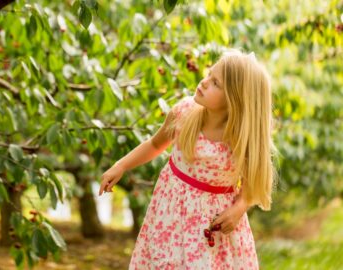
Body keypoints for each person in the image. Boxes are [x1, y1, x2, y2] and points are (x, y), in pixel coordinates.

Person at [98, 50, 277, 269]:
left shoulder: (240, 139)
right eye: (209, 75)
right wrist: (121, 165)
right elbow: (155, 145)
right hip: (170, 217)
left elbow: (252, 184)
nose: (204, 82)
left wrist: (239, 208)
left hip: (212, 228)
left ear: (235, 100)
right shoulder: (184, 113)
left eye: (215, 83)